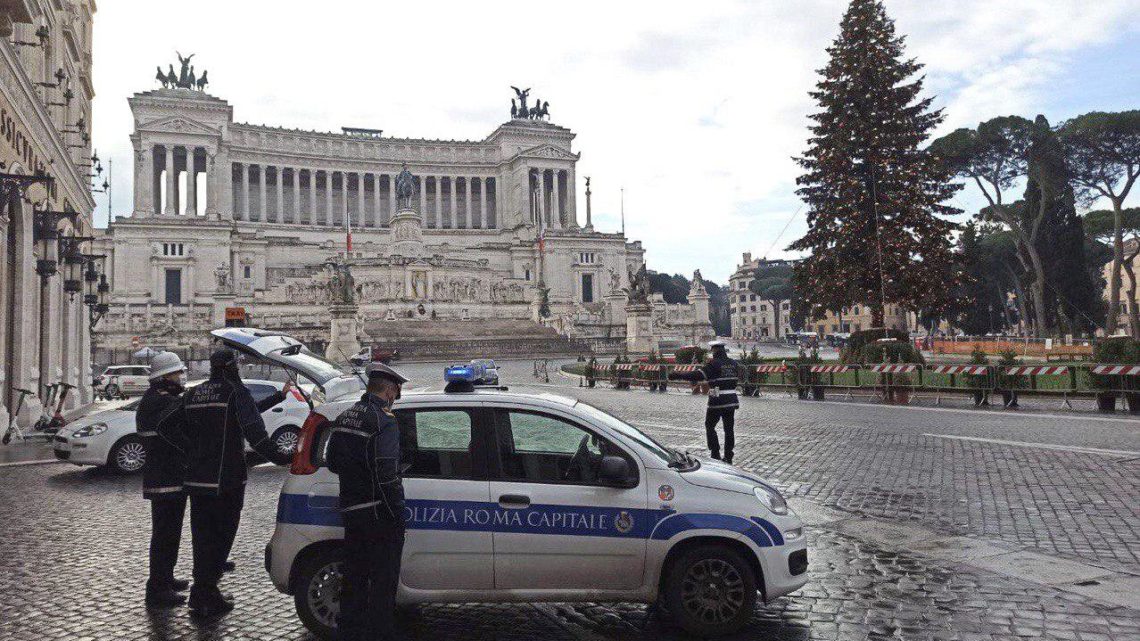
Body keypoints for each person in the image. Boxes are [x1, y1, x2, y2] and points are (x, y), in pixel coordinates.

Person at [157, 348, 294, 616]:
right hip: (227, 479)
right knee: (222, 537)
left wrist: (191, 449)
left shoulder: (194, 393)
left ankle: (201, 591)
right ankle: (206, 593)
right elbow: (255, 432)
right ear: (232, 367)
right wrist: (281, 457)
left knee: (202, 537)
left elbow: (166, 427)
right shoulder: (235, 392)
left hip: (197, 479)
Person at [326, 362, 409, 641]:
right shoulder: (384, 421)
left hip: (351, 509)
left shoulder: (345, 416)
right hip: (377, 513)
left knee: (355, 577)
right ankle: (380, 633)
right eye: (396, 392)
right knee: (383, 582)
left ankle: (349, 631)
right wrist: (396, 512)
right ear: (387, 390)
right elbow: (386, 474)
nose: (396, 398)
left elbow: (333, 462)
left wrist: (357, 475)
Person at [137, 351, 190, 608]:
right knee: (165, 535)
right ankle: (157, 588)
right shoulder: (159, 402)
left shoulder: (158, 398)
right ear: (165, 377)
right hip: (165, 477)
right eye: (177, 373)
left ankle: (165, 578)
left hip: (167, 476)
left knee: (169, 533)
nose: (181, 377)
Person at [672, 340, 741, 464]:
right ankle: (729, 456)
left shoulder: (714, 364)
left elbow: (698, 375)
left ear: (714, 350)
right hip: (731, 399)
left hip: (717, 399)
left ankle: (715, 453)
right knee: (729, 429)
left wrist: (678, 375)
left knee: (710, 425)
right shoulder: (733, 364)